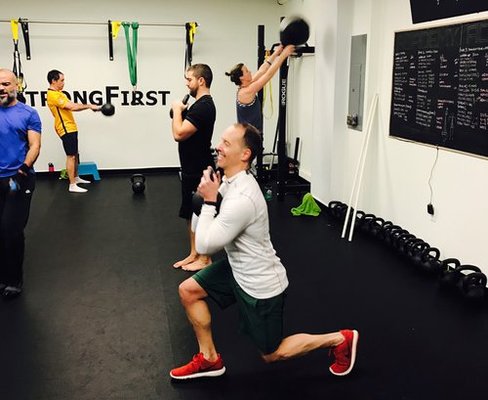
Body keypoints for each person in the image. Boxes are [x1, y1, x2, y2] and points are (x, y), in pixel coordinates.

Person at [169, 123, 359, 379]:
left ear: (245, 154)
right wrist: (209, 195)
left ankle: (339, 339)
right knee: (189, 292)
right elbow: (207, 215)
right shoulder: (231, 181)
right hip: (237, 268)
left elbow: (204, 245)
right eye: (221, 141)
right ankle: (209, 359)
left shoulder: (243, 198)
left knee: (272, 354)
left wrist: (209, 201)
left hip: (260, 285)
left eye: (226, 143)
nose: (218, 147)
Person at [0, 68, 42, 298]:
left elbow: (35, 145)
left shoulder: (28, 113)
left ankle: (14, 280)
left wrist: (23, 169)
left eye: (6, 84)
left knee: (11, 230)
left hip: (19, 177)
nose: (1, 88)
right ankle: (2, 277)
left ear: (16, 86)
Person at [170, 64, 216, 271]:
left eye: (189, 79)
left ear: (201, 81)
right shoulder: (197, 105)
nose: (186, 84)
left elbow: (178, 134)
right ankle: (194, 253)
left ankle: (205, 258)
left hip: (200, 169)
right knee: (190, 212)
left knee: (201, 213)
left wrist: (178, 110)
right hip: (190, 168)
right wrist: (179, 111)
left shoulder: (204, 106)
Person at [46, 69, 100, 193]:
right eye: (61, 80)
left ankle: (76, 178)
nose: (64, 83)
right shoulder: (53, 95)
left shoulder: (60, 93)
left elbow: (72, 104)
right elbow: (72, 107)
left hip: (71, 126)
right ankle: (72, 185)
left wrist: (88, 106)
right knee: (70, 155)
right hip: (65, 128)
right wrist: (89, 106)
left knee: (75, 154)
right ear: (53, 81)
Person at [225, 44, 295, 133]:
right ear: (241, 78)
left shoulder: (246, 86)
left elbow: (262, 70)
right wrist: (283, 55)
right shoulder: (247, 91)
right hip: (249, 138)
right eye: (246, 71)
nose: (250, 71)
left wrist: (276, 53)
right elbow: (268, 75)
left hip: (251, 135)